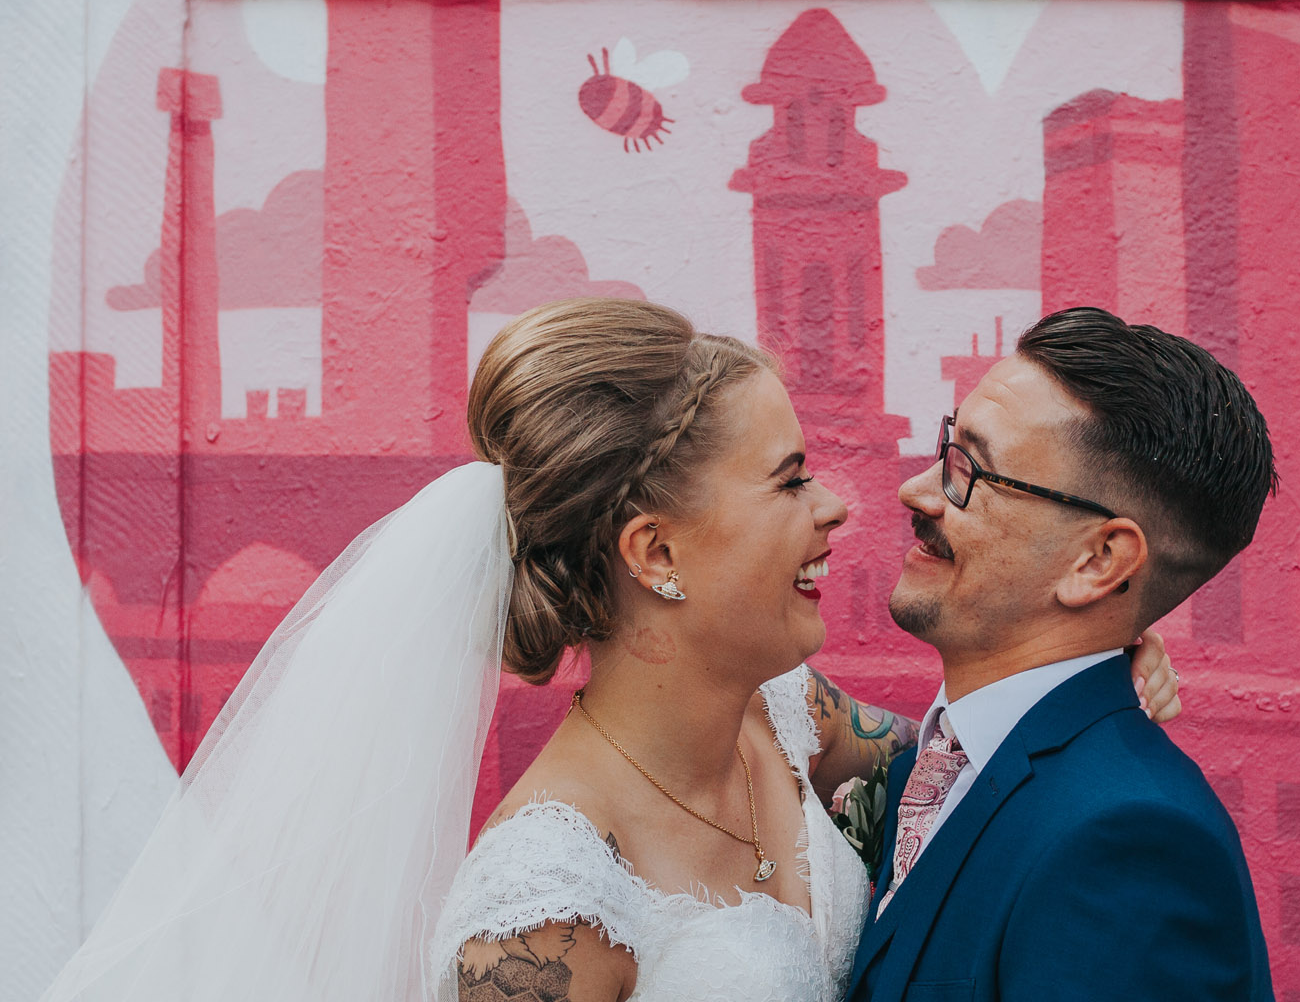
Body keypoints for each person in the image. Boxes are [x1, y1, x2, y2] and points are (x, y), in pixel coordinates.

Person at [36, 298, 1181, 1002]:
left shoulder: (795, 716)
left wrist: (1086, 676)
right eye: (788, 479)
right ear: (656, 550)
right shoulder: (539, 905)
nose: (838, 504)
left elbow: (959, 780)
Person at [848, 306, 1277, 1002]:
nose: (917, 490)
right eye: (944, 447)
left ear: (1098, 560)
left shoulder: (1129, 842)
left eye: (970, 471)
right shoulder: (919, 770)